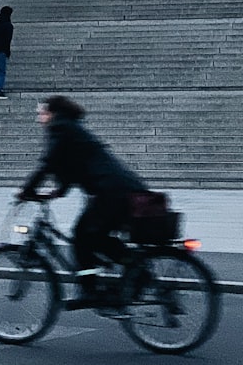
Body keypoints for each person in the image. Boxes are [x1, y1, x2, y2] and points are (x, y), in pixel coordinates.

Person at [18, 94, 148, 309]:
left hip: (111, 191)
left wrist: (27, 190)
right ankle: (135, 269)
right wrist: (59, 191)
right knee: (96, 237)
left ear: (52, 113)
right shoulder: (70, 127)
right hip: (119, 189)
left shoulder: (59, 127)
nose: (39, 118)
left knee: (81, 236)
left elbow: (48, 162)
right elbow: (74, 164)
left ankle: (91, 290)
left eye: (41, 113)